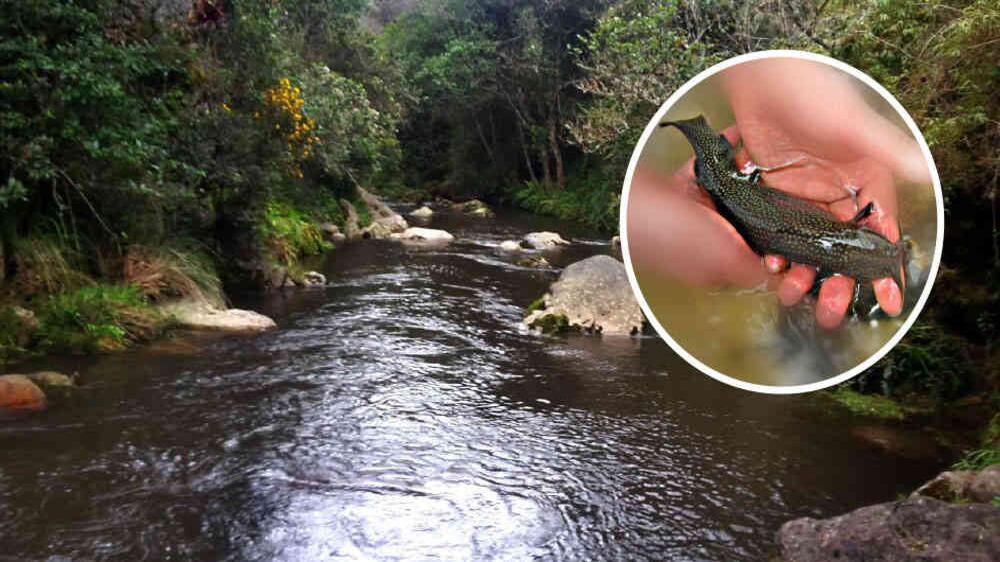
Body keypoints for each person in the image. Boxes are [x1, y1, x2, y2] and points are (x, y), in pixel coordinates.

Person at [627, 58, 930, 329]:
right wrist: (647, 219)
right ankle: (700, 138)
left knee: (726, 185)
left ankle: (701, 137)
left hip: (744, 200)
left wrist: (758, 76)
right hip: (742, 201)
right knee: (726, 186)